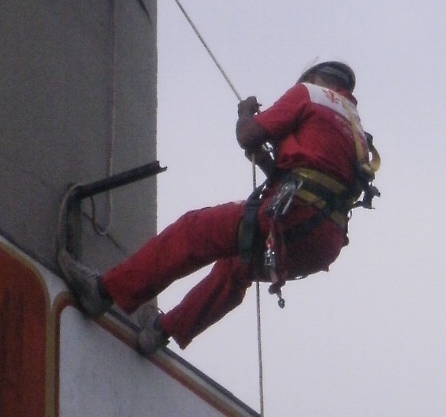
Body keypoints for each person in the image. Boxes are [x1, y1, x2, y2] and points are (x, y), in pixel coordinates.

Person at [60, 63, 378, 354]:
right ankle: (160, 332)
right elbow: (315, 177)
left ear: (314, 78)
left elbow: (247, 135)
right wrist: (264, 158)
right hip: (323, 241)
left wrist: (244, 115)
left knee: (194, 232)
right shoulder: (358, 133)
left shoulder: (309, 93)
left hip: (291, 215)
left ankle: (103, 292)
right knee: (235, 268)